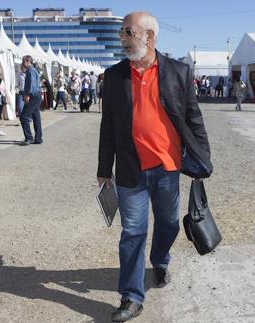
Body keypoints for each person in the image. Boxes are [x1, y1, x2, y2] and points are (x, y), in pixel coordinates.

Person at [97, 12, 211, 322]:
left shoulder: (178, 72)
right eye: (122, 32)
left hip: (168, 168)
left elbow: (193, 119)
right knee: (132, 231)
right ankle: (132, 296)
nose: (122, 37)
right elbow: (107, 125)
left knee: (169, 224)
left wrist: (204, 158)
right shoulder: (115, 75)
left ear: (149, 36)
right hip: (131, 170)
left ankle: (160, 259)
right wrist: (104, 167)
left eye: (128, 32)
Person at [19, 55, 43, 146]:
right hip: (37, 95)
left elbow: (31, 84)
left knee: (24, 116)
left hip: (33, 95)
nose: (22, 63)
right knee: (36, 117)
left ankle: (29, 138)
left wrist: (27, 95)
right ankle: (38, 138)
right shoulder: (33, 70)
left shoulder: (30, 70)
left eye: (23, 61)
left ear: (27, 61)